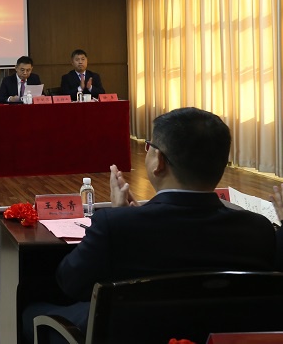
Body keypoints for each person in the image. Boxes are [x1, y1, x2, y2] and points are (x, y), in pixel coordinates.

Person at [22, 107, 277, 343]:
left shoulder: (116, 225)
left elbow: (70, 283)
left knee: (31, 310)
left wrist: (119, 219)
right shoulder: (258, 230)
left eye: (149, 147)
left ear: (159, 161)